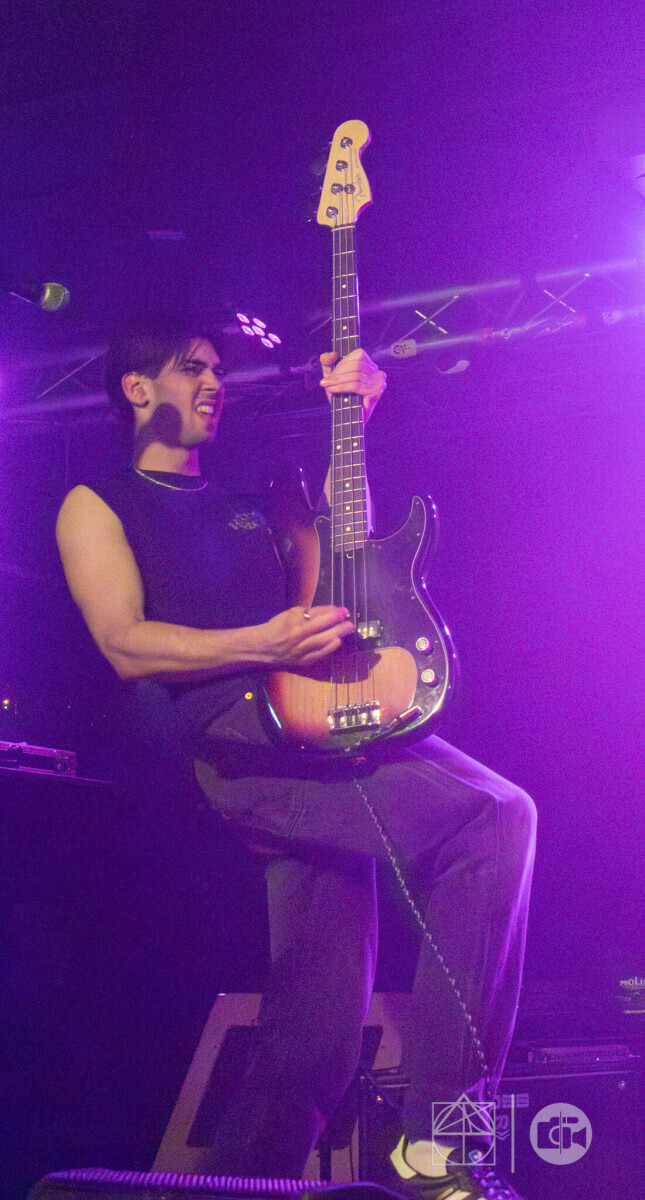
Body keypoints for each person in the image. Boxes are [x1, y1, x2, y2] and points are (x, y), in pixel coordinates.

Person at [56, 313, 536, 1200]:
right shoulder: (99, 502)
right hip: (236, 744)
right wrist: (265, 642)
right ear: (137, 388)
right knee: (492, 816)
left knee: (313, 1040)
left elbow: (339, 560)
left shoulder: (253, 492)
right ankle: (440, 1141)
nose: (213, 384)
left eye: (216, 370)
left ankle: (245, 1188)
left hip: (312, 726)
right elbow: (124, 643)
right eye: (191, 368)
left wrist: (357, 417)